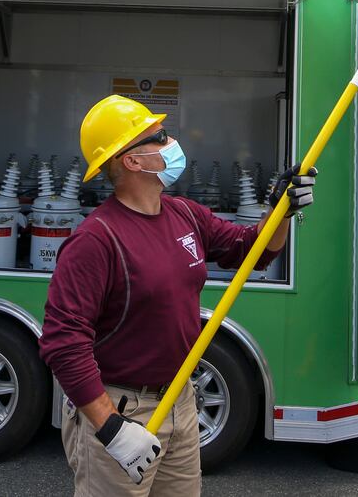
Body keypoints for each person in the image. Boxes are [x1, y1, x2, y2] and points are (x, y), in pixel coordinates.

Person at [39, 94, 316, 496]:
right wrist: (112, 428)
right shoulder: (96, 240)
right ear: (130, 161)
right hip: (122, 410)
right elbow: (64, 343)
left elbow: (250, 249)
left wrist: (280, 210)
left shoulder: (184, 214)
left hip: (182, 400)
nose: (172, 143)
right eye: (159, 136)